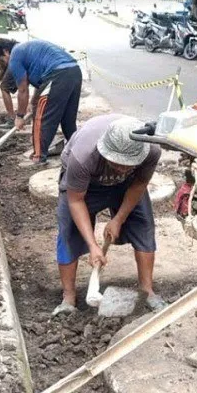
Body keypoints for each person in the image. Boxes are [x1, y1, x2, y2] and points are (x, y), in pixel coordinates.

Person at [53, 114, 167, 314]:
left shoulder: (150, 150)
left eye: (128, 164)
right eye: (117, 162)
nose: (122, 168)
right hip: (85, 187)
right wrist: (93, 245)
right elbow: (76, 200)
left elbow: (139, 184)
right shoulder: (83, 156)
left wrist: (119, 219)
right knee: (69, 232)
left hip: (128, 186)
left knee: (143, 226)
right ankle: (68, 298)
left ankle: (147, 291)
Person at [0, 38, 82, 164]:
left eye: (2, 60)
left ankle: (38, 157)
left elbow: (22, 89)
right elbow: (36, 84)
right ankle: (78, 152)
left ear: (6, 52)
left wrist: (19, 116)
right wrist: (33, 102)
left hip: (58, 74)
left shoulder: (15, 55)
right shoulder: (26, 49)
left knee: (42, 118)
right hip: (74, 71)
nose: (6, 64)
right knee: (68, 119)